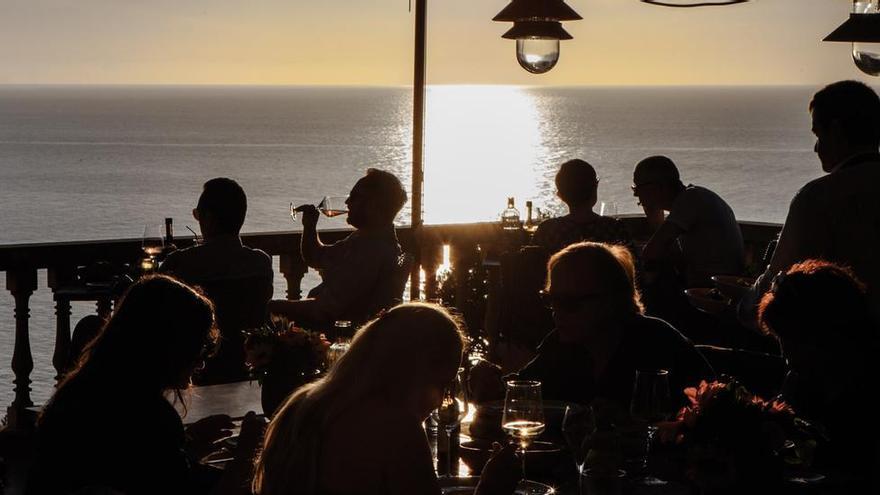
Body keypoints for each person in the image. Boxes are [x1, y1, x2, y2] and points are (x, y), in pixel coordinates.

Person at [27, 275, 264, 495]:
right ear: (170, 346)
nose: (200, 364)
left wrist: (190, 444)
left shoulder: (78, 396)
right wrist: (246, 454)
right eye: (198, 350)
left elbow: (140, 471)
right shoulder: (150, 416)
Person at [252, 303, 518, 495]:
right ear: (416, 372)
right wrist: (491, 488)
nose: (439, 401)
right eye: (441, 384)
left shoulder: (301, 406)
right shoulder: (395, 428)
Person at [471, 242, 714, 409]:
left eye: (569, 302)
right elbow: (519, 391)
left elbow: (715, 416)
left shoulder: (658, 345)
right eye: (551, 300)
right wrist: (489, 382)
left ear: (612, 300)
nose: (556, 312)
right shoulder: (561, 346)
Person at [742, 80, 880, 324]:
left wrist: (742, 304)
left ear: (836, 131)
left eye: (818, 134)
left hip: (845, 342)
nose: (816, 148)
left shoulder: (818, 197)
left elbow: (780, 277)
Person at [758, 260, 879, 484]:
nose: (787, 355)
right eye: (780, 340)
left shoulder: (865, 398)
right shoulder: (802, 379)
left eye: (792, 341)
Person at [161, 177, 273, 383]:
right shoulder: (261, 263)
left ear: (209, 219)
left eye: (198, 216)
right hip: (245, 366)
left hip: (194, 370)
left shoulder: (179, 264)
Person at [269, 168, 405, 329]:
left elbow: (324, 311)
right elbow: (316, 257)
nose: (347, 202)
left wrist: (274, 306)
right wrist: (309, 226)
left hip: (335, 335)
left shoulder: (372, 252)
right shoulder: (364, 239)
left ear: (373, 205)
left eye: (354, 198)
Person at [632, 155, 745, 289]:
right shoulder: (694, 199)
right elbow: (670, 252)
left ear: (658, 187)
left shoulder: (690, 200)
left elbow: (651, 252)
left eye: (637, 188)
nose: (635, 195)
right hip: (714, 287)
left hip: (711, 293)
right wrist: (653, 214)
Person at [532, 159, 635, 255]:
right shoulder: (614, 229)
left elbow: (532, 269)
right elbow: (635, 268)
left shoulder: (547, 231)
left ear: (560, 195)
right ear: (595, 187)